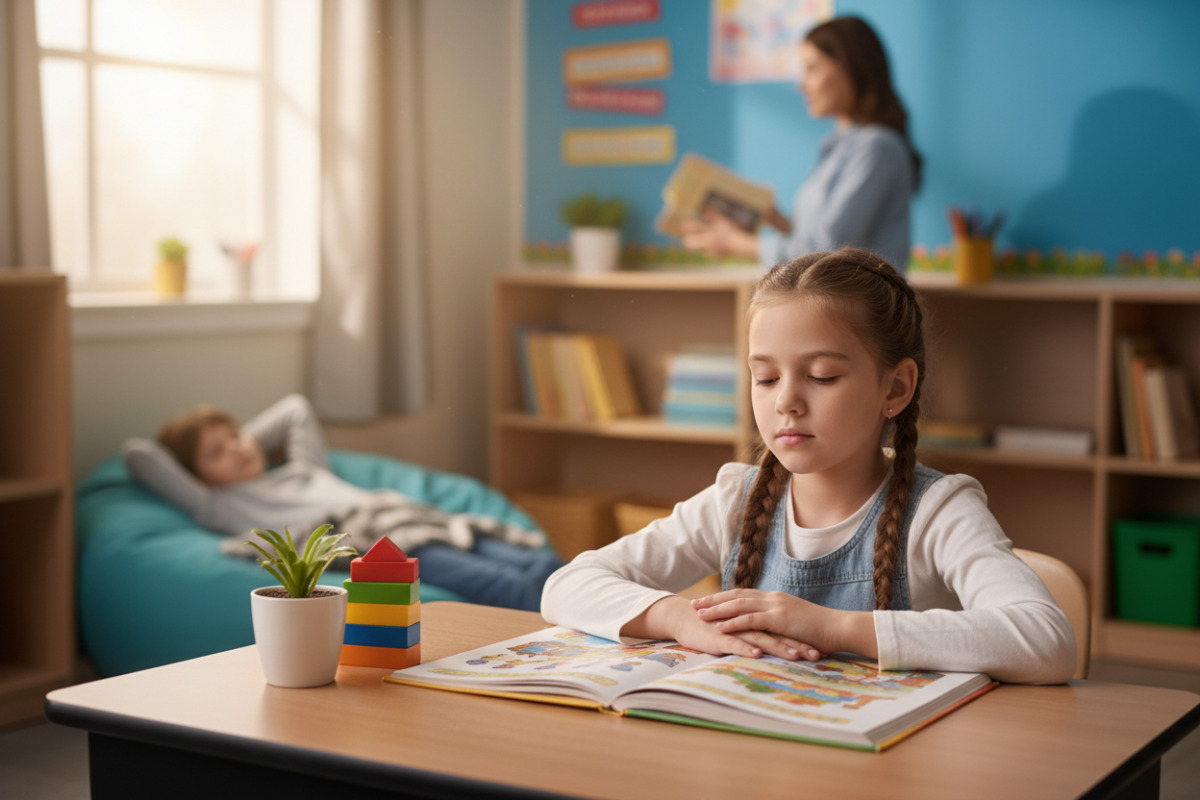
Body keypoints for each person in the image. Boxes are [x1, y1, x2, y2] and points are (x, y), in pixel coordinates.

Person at [542, 248, 1075, 685]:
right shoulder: (735, 500)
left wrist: (834, 628)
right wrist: (679, 617)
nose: (786, 403)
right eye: (766, 378)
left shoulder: (939, 512)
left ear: (895, 387)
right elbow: (567, 584)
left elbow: (1045, 640)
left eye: (821, 376)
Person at [122, 393, 564, 611]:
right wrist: (205, 466)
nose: (238, 448)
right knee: (508, 587)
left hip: (414, 520)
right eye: (216, 452)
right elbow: (137, 455)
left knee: (542, 565)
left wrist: (240, 445)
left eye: (236, 435)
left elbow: (295, 408)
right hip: (380, 545)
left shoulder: (304, 467)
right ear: (195, 475)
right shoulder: (217, 503)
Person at [681, 16, 920, 273]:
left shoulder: (878, 148)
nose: (800, 85)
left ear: (853, 68)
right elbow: (814, 239)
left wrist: (737, 243)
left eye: (812, 68)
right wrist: (776, 219)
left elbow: (828, 252)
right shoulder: (836, 148)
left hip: (861, 309)